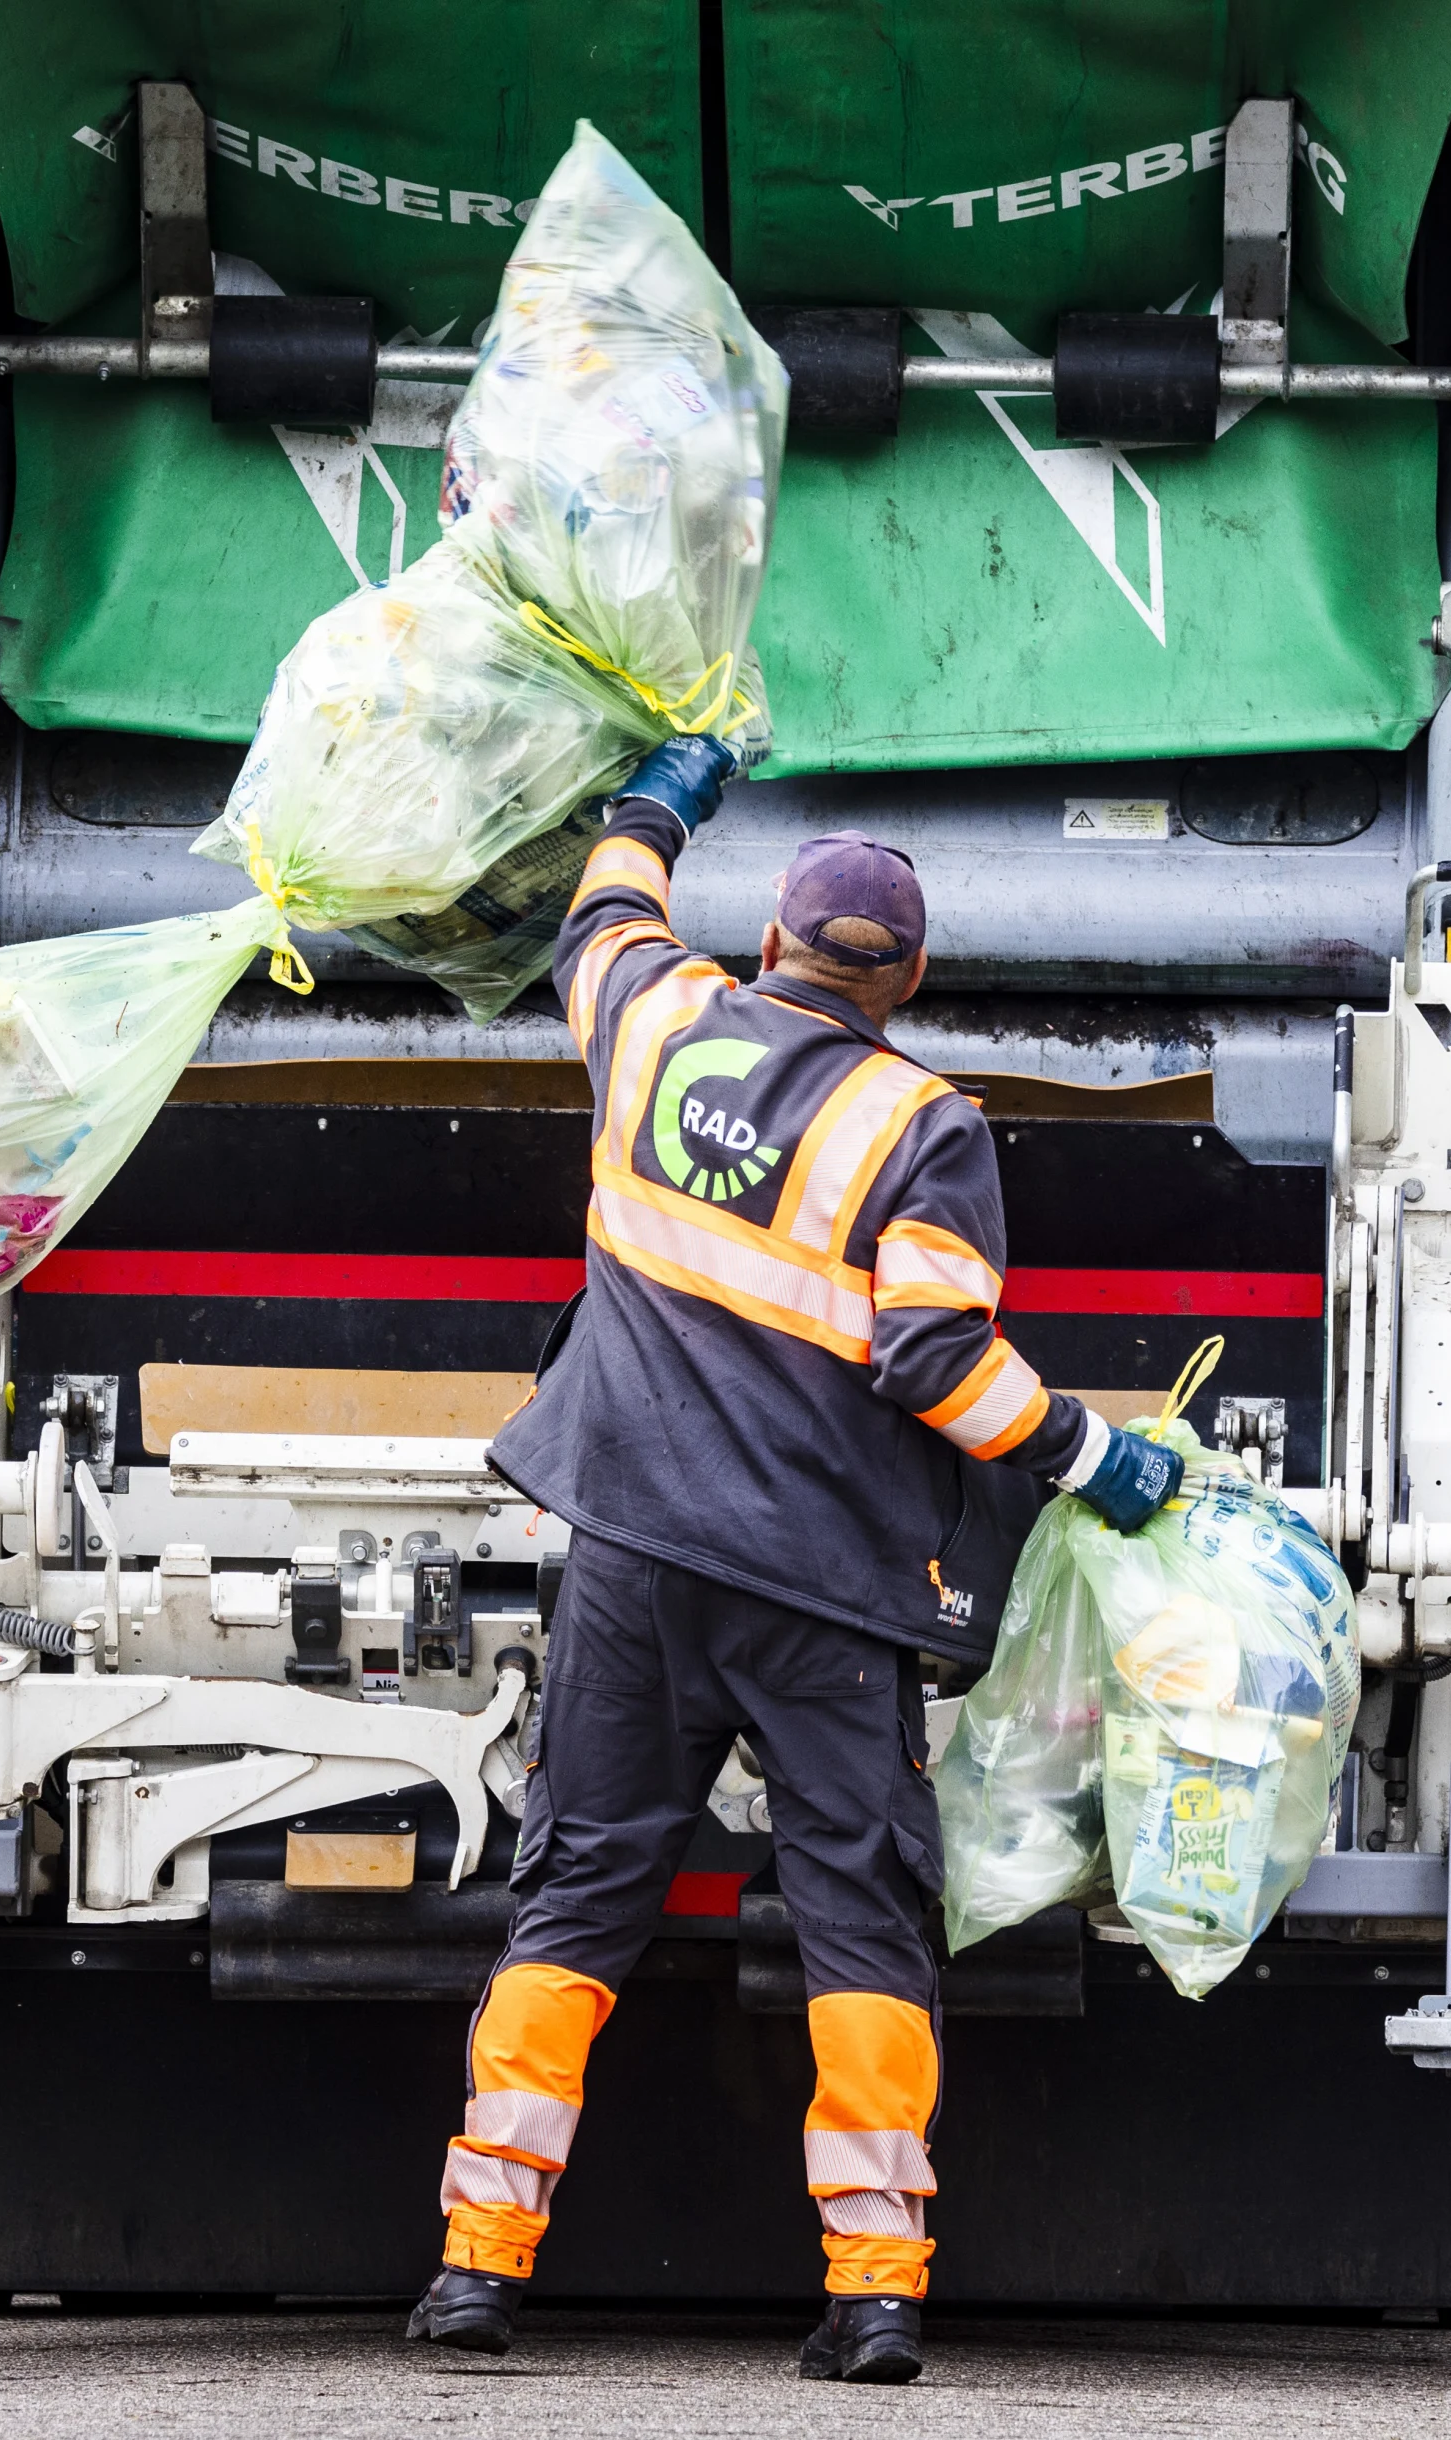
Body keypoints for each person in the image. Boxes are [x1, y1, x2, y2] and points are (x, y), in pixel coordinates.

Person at [406, 735, 1183, 2382]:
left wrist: (662, 796)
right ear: (907, 978)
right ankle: (878, 2295)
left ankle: (477, 2273)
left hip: (632, 1559)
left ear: (770, 942)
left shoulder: (658, 1021)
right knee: (859, 1919)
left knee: (577, 1897)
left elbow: (599, 916)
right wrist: (1094, 1457)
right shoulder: (926, 1123)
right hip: (826, 1595)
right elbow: (931, 1359)